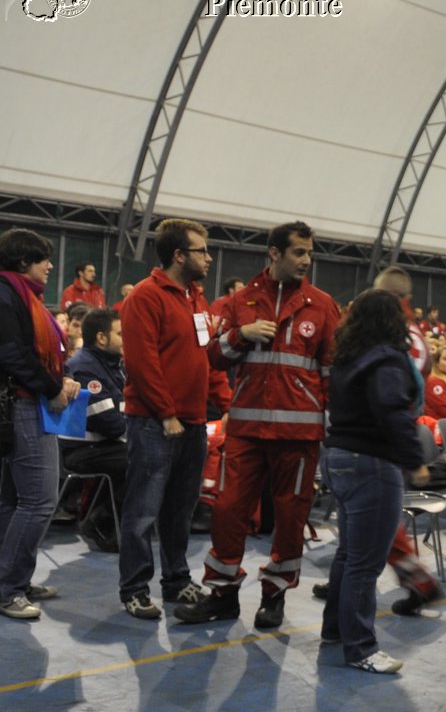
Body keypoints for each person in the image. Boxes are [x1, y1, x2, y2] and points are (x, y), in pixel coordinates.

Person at [177, 220, 339, 629]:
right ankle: (223, 594)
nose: (307, 260)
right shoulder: (240, 302)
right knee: (228, 511)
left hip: (300, 436)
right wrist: (241, 335)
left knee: (290, 518)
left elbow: (332, 371)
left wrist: (331, 425)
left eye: (309, 252)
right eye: (299, 252)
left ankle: (275, 595)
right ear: (274, 253)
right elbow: (212, 357)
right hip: (246, 431)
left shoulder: (322, 305)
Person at [118, 218, 231, 619]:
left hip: (194, 422)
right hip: (154, 422)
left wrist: (226, 402)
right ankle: (134, 588)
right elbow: (142, 362)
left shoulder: (197, 299)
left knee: (180, 510)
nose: (209, 257)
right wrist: (166, 413)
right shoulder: (146, 297)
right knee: (143, 511)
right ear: (179, 255)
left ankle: (177, 581)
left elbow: (207, 359)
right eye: (202, 250)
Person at [320, 290, 430, 674]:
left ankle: (335, 629)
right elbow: (392, 409)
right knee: (365, 564)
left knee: (349, 555)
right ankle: (361, 647)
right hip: (372, 464)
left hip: (338, 458)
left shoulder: (348, 357)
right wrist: (415, 460)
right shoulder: (386, 359)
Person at [0, 228, 80, 619]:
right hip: (26, 406)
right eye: (43, 258)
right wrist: (52, 387)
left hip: (28, 403)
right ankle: (7, 588)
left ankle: (14, 578)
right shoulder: (6, 295)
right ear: (21, 262)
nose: (50, 265)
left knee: (15, 501)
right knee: (40, 501)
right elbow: (13, 355)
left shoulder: (19, 295)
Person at [61, 307, 128, 548]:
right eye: (121, 334)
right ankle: (101, 522)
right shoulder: (84, 367)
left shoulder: (112, 364)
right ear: (102, 338)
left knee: (154, 452)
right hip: (82, 449)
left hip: (104, 444)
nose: (126, 339)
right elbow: (110, 423)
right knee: (145, 458)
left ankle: (114, 521)